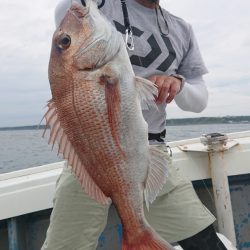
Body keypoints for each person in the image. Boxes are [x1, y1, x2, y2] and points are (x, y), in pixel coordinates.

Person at [42, 0, 227, 249]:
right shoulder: (96, 6)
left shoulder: (182, 29)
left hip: (151, 153)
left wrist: (178, 85)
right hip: (88, 161)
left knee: (206, 244)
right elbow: (66, 10)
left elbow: (199, 100)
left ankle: (137, 232)